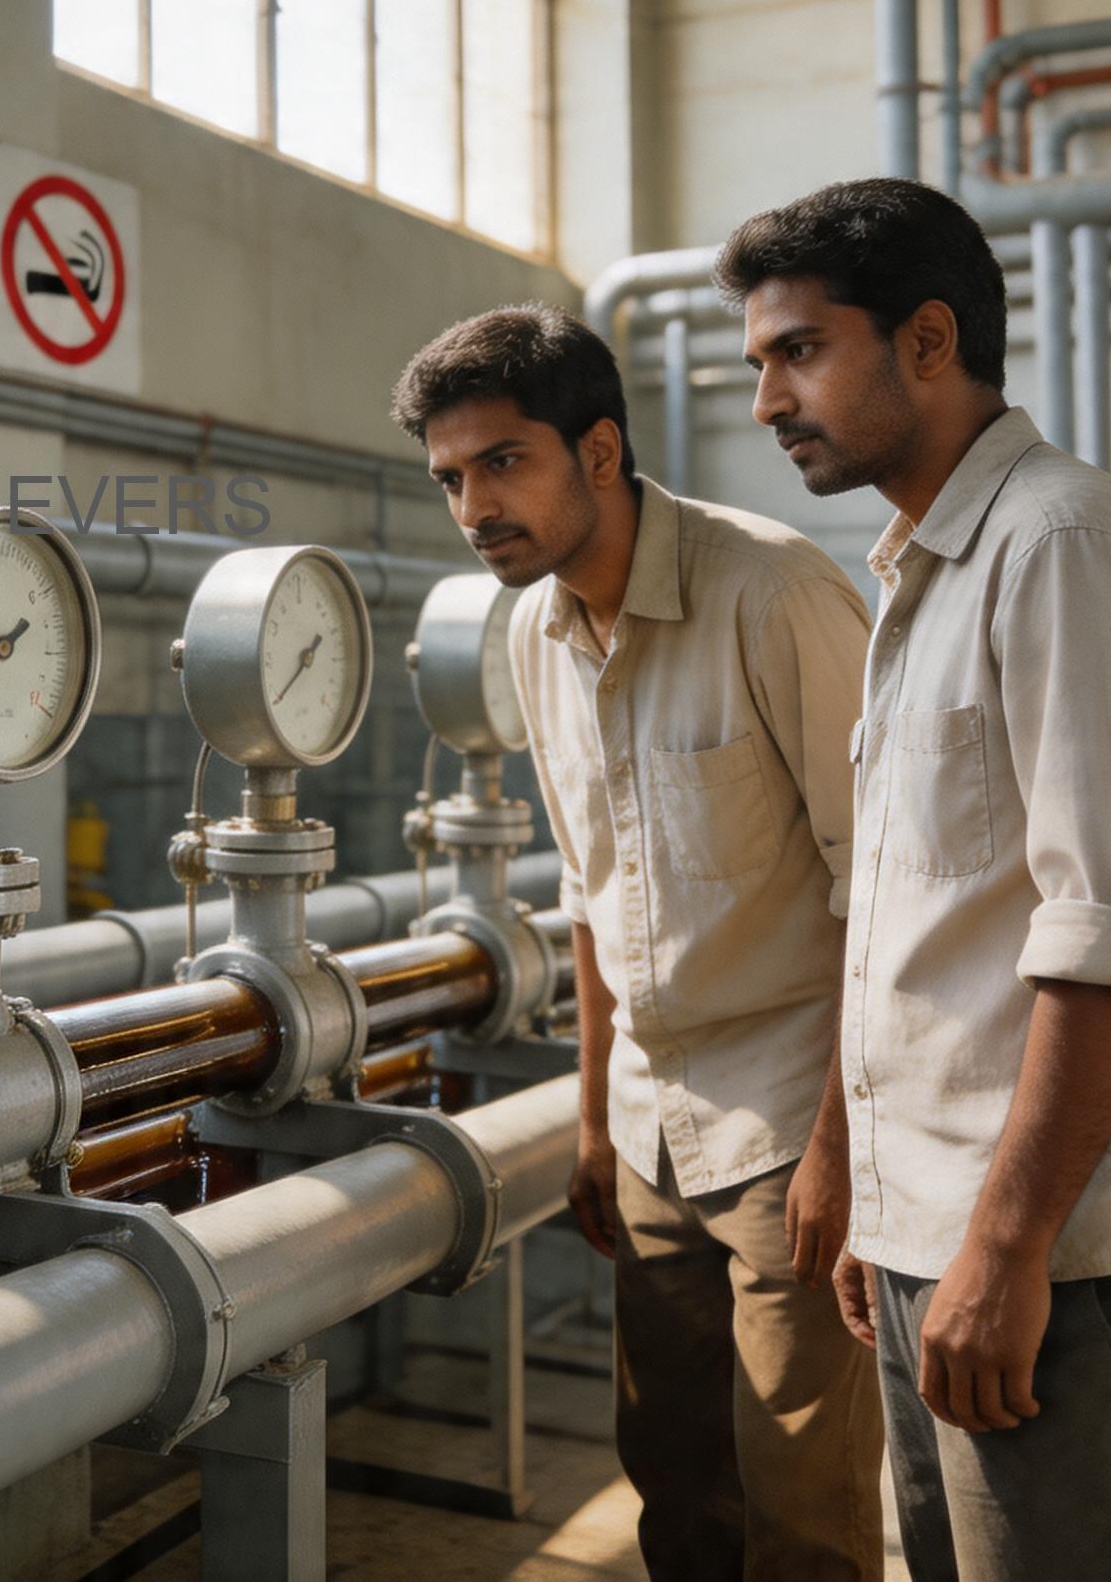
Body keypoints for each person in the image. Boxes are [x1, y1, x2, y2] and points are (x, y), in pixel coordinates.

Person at [716, 176, 1111, 1581]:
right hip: (942, 1240)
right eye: (758, 361)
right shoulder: (925, 574)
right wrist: (872, 1191)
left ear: (927, 340)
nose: (767, 400)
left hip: (1068, 1263)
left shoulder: (1062, 546)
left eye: (798, 350)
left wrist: (1004, 1249)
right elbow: (910, 924)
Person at [391, 303, 884, 1581]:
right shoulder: (531, 627)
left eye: (503, 462)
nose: (472, 507)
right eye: (449, 478)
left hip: (792, 1125)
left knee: (799, 1504)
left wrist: (842, 1151)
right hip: (649, 1131)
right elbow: (588, 887)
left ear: (598, 450)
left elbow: (884, 890)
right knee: (670, 1478)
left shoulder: (772, 592)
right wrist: (592, 1119)